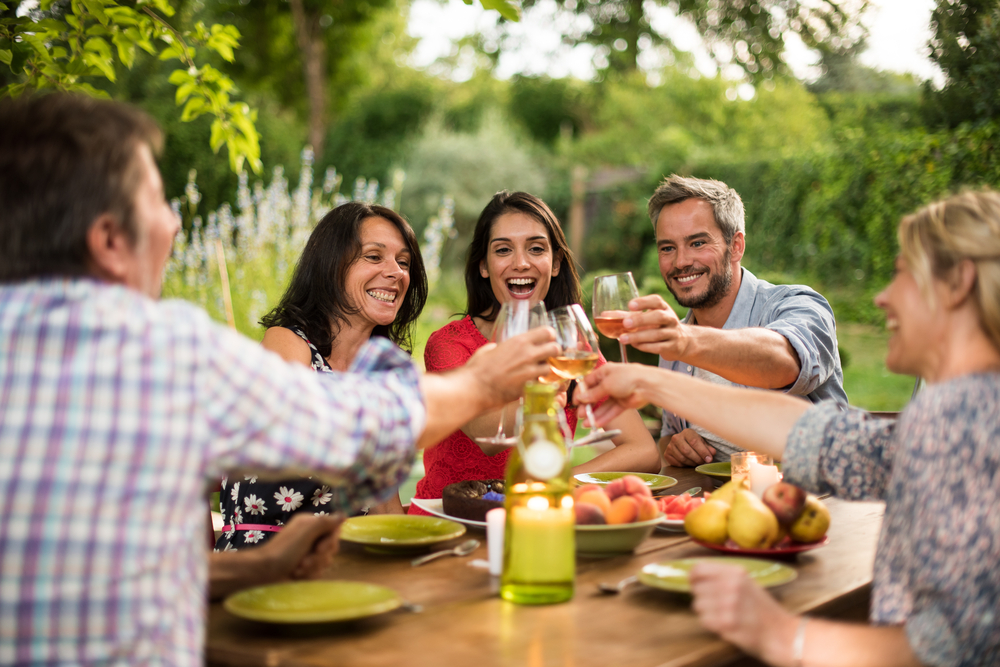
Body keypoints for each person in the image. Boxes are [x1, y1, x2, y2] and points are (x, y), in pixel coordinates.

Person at [0, 94, 560, 665]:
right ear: (108, 240)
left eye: (402, 261)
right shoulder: (160, 351)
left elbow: (105, 573)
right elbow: (350, 429)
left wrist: (257, 567)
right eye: (157, 202)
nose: (174, 222)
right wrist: (481, 382)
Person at [577, 190, 1000, 667]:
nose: (882, 297)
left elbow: (952, 646)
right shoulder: (954, 413)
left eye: (903, 273)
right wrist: (651, 381)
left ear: (959, 283)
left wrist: (780, 635)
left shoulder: (972, 423)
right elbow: (813, 435)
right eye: (668, 246)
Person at [409, 191, 659, 512]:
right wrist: (549, 387)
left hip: (533, 514)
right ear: (483, 266)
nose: (521, 263)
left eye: (536, 248)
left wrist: (559, 483)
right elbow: (486, 435)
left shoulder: (571, 346)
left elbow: (643, 450)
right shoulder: (450, 343)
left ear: (555, 264)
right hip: (450, 520)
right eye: (503, 250)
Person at [214, 202, 426, 552]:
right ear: (331, 266)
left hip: (345, 561)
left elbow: (384, 505)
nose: (396, 272)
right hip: (263, 562)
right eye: (374, 257)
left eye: (404, 262)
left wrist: (413, 552)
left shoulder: (383, 372)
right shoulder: (286, 343)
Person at [621, 175, 847, 469]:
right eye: (667, 248)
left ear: (736, 246)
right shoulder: (677, 337)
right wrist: (676, 446)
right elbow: (669, 436)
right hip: (717, 496)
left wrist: (685, 341)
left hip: (815, 490)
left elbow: (785, 361)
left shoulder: (799, 305)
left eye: (697, 243)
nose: (681, 262)